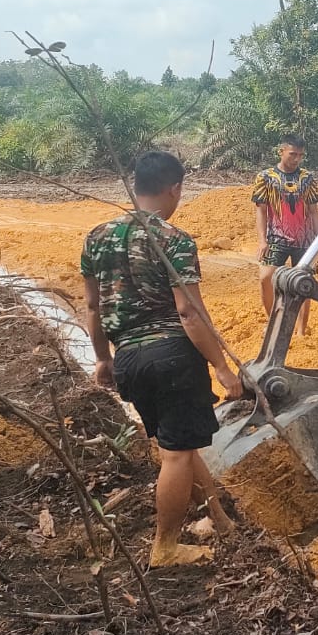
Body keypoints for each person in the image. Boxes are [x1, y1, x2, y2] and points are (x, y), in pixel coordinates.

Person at [81, 150, 243, 567]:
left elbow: (94, 307)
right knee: (176, 454)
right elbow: (189, 312)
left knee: (178, 445)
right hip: (171, 356)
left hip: (129, 359)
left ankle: (221, 520)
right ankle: (166, 547)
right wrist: (223, 368)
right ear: (174, 188)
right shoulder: (172, 240)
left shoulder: (96, 237)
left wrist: (103, 360)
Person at [251, 134, 318, 335]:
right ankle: (273, 322)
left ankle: (301, 330)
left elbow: (314, 212)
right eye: (293, 154)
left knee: (304, 283)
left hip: (304, 240)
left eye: (300, 155)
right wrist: (262, 241)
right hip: (277, 237)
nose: (296, 159)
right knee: (266, 278)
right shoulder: (265, 177)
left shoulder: (307, 178)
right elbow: (261, 211)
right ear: (281, 151)